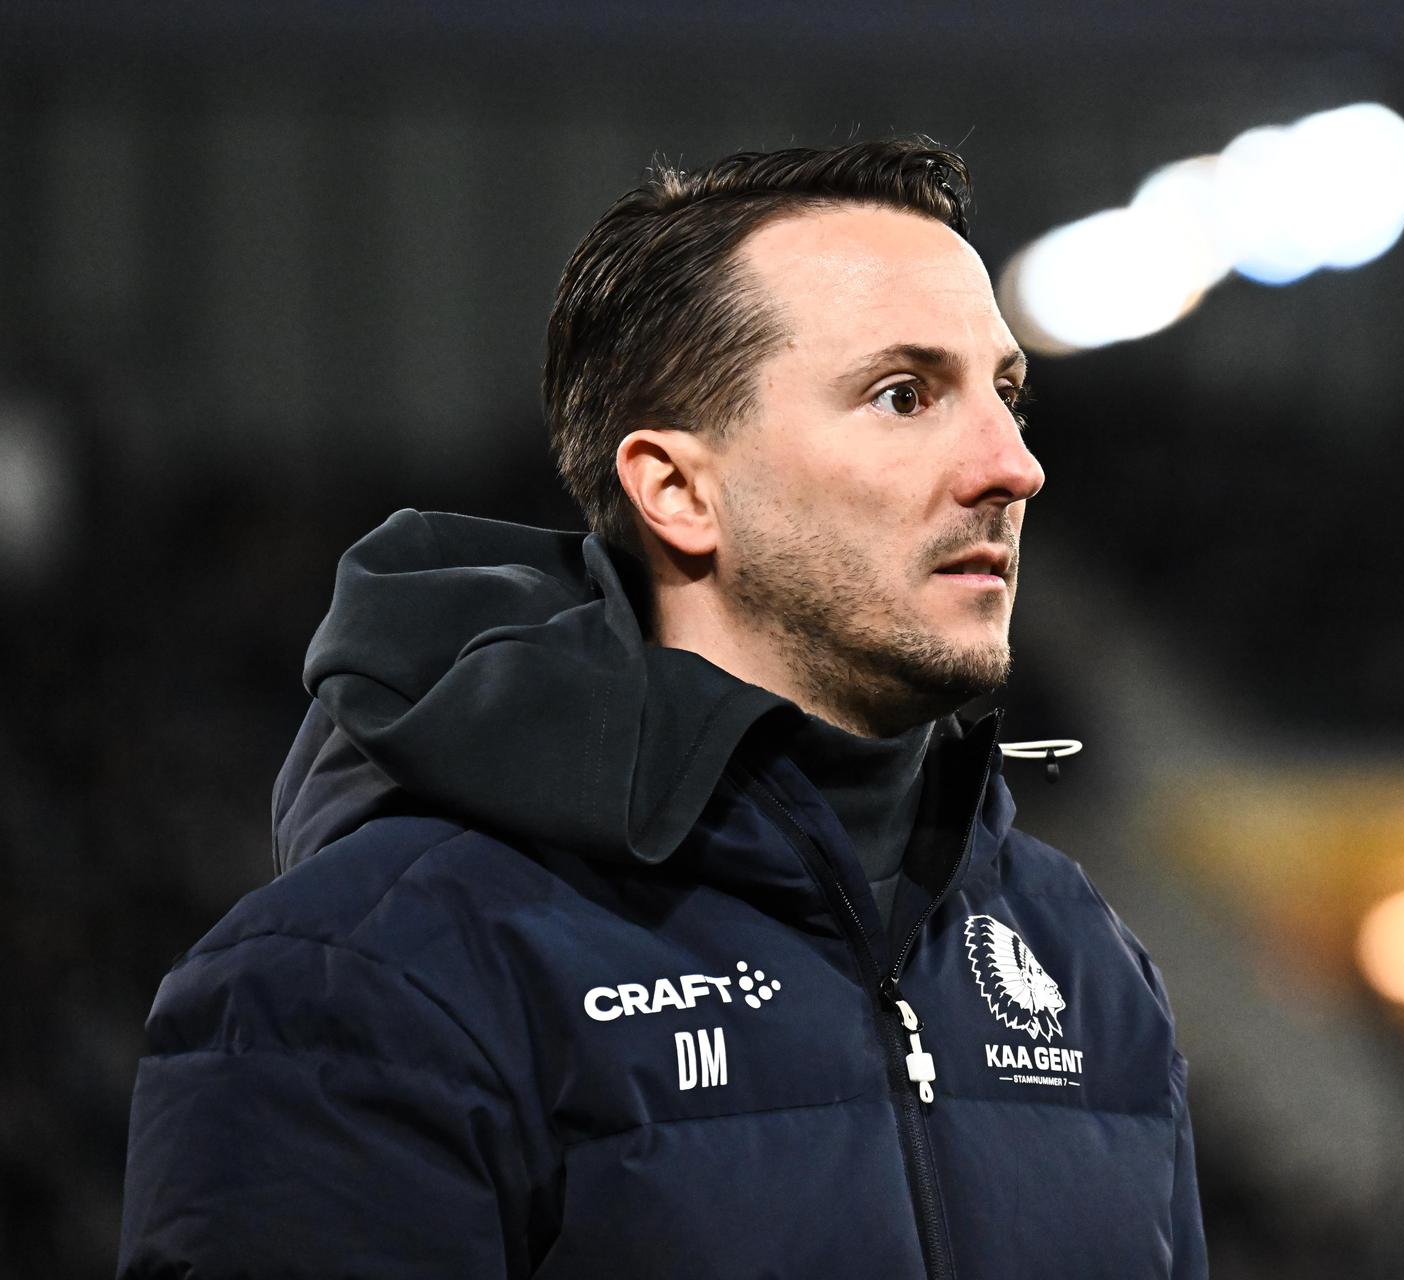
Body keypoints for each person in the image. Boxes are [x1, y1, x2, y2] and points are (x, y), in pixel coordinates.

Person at [118, 137, 1205, 1279]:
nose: (1013, 464)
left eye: (1007, 393)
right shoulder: (367, 972)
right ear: (680, 490)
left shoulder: (1079, 954)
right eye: (904, 394)